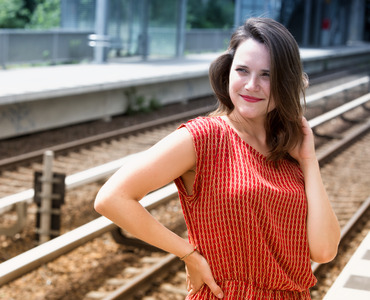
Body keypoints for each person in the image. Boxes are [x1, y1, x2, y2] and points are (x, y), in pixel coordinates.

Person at [94, 18, 341, 299]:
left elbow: (324, 251)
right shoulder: (205, 136)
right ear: (228, 73)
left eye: (267, 75)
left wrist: (309, 160)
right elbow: (112, 197)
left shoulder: (289, 150)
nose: (251, 85)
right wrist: (188, 253)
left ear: (286, 81)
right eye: (242, 70)